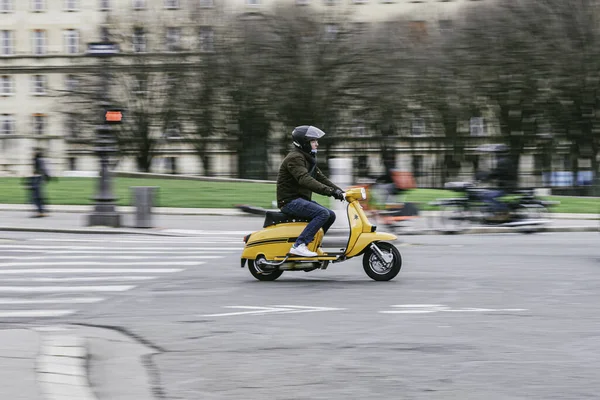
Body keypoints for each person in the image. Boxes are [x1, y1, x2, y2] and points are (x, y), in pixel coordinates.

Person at [277, 125, 345, 257]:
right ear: (304, 143)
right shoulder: (295, 158)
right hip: (290, 202)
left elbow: (321, 178)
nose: (317, 144)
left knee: (330, 215)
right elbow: (305, 180)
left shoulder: (307, 158)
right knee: (323, 213)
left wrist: (342, 192)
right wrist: (330, 192)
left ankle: (313, 245)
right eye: (314, 141)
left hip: (300, 200)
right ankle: (299, 245)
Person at [477, 144, 517, 222]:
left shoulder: (503, 161)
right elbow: (498, 173)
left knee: (489, 196)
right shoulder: (505, 160)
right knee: (488, 193)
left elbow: (497, 173)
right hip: (506, 185)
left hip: (507, 186)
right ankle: (495, 211)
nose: (495, 154)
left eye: (496, 152)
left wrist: (485, 177)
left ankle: (503, 213)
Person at [29, 148, 52, 218]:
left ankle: (40, 212)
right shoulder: (38, 160)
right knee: (38, 196)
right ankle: (42, 211)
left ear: (36, 154)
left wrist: (46, 176)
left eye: (34, 153)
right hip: (38, 179)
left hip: (37, 180)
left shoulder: (38, 160)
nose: (32, 154)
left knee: (36, 196)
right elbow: (43, 169)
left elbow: (43, 169)